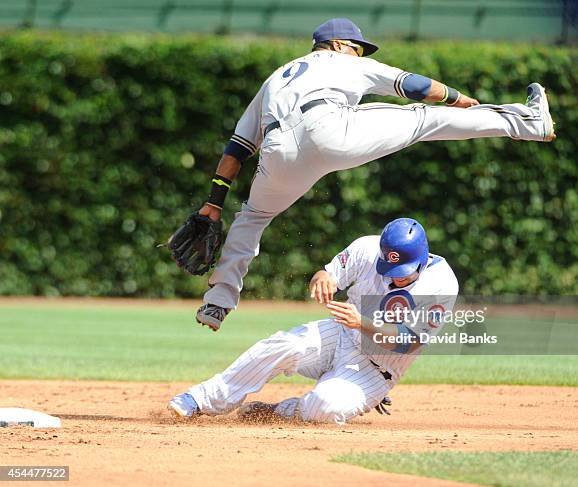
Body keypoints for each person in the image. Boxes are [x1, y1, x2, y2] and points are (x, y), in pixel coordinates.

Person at [195, 17, 554, 330]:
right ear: (337, 45)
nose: (361, 55)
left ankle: (218, 302)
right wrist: (457, 97)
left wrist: (213, 204)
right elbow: (413, 85)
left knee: (253, 217)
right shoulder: (341, 61)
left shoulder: (276, 78)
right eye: (358, 48)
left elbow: (237, 148)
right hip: (330, 127)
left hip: (279, 150)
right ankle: (530, 122)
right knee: (423, 118)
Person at [168, 218, 459, 424]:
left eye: (402, 270)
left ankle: (278, 411)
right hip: (342, 333)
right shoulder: (368, 249)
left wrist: (362, 322)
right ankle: (200, 399)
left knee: (326, 407)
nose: (394, 275)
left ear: (423, 259)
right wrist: (324, 280)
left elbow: (410, 342)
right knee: (282, 345)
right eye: (389, 266)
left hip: (377, 366)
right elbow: (326, 273)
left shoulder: (441, 284)